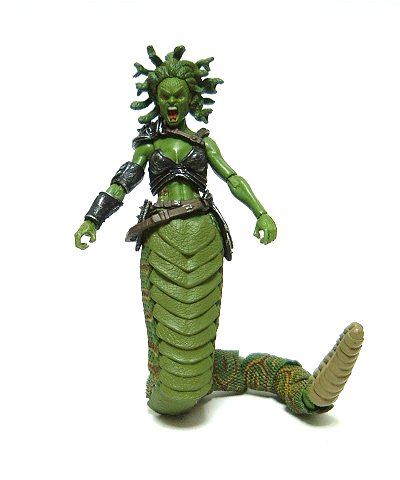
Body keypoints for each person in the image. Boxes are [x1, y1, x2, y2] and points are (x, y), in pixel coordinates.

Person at [75, 46, 363, 416]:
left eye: (179, 95)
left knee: (198, 317)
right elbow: (122, 183)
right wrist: (92, 219)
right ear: (156, 99)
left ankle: (286, 383)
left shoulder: (204, 143)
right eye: (165, 96)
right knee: (170, 324)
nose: (172, 102)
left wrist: (261, 213)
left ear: (191, 98)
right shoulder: (148, 146)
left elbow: (232, 178)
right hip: (162, 237)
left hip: (204, 233)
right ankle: (181, 377)